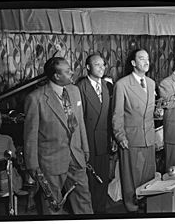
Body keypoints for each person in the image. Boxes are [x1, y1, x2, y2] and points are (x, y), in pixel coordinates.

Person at [23, 56, 93, 215]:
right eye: (68, 71)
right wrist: (32, 165)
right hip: (51, 161)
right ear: (56, 76)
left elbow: (80, 122)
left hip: (76, 156)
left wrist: (85, 149)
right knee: (52, 206)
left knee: (84, 200)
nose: (72, 73)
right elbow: (30, 136)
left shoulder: (75, 91)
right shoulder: (35, 98)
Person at [112, 49, 156, 212]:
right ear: (133, 63)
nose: (146, 62)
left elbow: (150, 111)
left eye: (148, 59)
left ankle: (147, 207)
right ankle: (132, 210)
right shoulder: (122, 84)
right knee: (131, 178)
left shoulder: (151, 83)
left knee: (148, 176)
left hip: (149, 138)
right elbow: (117, 114)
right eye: (142, 58)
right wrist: (120, 136)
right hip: (131, 138)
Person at [76, 54, 113, 214]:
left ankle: (101, 211)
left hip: (104, 140)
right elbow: (78, 120)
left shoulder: (107, 85)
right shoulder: (80, 87)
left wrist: (112, 138)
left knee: (103, 178)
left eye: (103, 65)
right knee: (89, 179)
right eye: (97, 65)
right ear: (88, 67)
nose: (101, 68)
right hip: (88, 140)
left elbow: (111, 115)